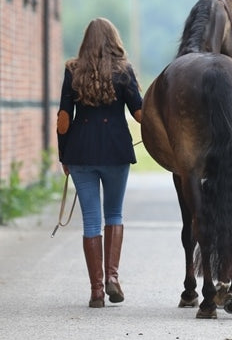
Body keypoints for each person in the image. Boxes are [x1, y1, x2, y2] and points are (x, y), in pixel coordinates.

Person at [57, 17, 142, 308]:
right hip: (116, 151)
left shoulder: (73, 70)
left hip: (81, 153)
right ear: (114, 39)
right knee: (114, 214)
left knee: (91, 219)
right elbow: (140, 113)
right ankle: (112, 278)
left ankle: (96, 292)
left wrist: (63, 156)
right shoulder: (124, 71)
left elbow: (64, 119)